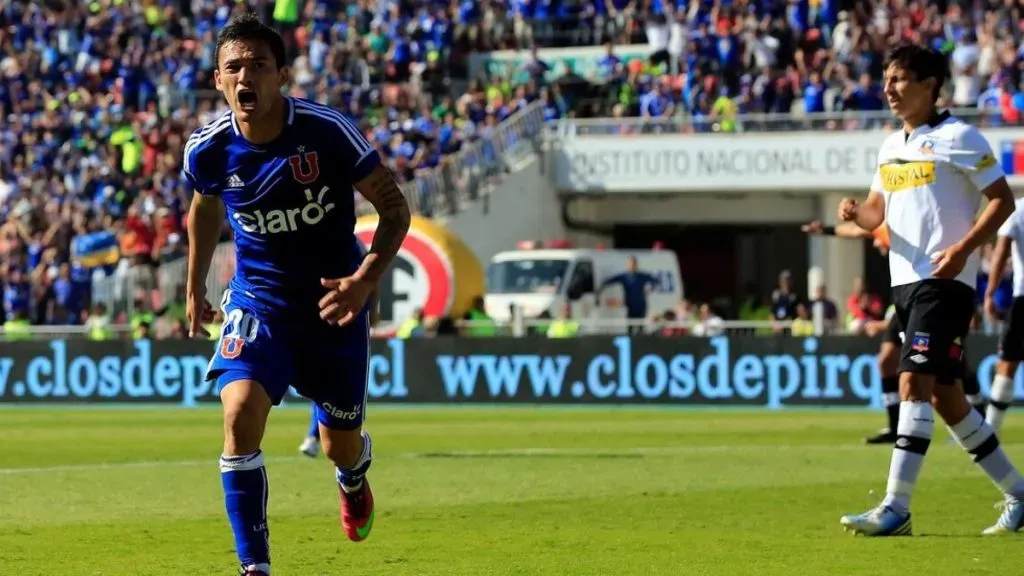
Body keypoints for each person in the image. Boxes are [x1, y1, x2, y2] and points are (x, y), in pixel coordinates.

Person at [183, 13, 411, 576]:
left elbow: (394, 208)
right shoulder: (207, 151)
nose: (245, 77)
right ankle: (254, 567)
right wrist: (195, 287)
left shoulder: (325, 131)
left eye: (258, 65)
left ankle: (354, 476)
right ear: (218, 79)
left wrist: (365, 279)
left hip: (335, 304)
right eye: (233, 67)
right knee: (237, 414)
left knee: (339, 445)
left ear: (281, 73)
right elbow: (205, 206)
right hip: (258, 302)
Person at [836, 42, 1023, 537]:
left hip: (945, 283)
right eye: (886, 78)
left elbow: (1002, 201)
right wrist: (858, 215)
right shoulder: (889, 145)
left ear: (929, 85)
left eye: (898, 78)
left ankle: (896, 507)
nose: (888, 88)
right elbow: (879, 213)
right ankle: (1021, 496)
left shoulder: (960, 136)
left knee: (911, 383)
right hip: (906, 283)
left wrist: (963, 250)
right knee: (946, 399)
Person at [803, 221, 987, 445]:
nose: (877, 245)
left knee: (954, 363)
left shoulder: (908, 229)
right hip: (904, 301)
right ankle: (894, 427)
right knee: (886, 361)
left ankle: (977, 407)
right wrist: (826, 229)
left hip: (934, 296)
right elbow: (856, 229)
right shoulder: (887, 227)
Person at [300, 288, 380, 458]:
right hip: (315, 322)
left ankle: (316, 438)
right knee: (321, 389)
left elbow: (371, 277)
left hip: (345, 325)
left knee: (327, 390)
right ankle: (314, 438)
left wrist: (372, 309)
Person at [983, 195, 1024, 434]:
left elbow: (1001, 251)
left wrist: (989, 292)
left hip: (1023, 298)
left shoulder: (1016, 209)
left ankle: (991, 431)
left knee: (1007, 364)